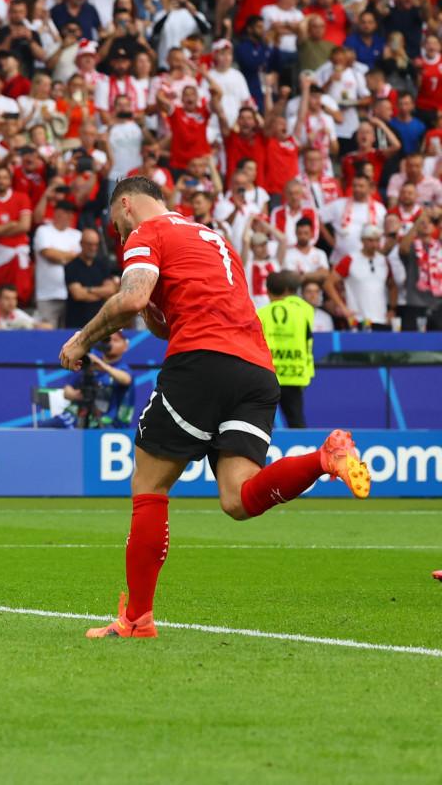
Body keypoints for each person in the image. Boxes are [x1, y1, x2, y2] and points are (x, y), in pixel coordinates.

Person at [58, 175, 370, 640]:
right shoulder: (213, 238)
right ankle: (325, 458)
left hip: (203, 360)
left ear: (126, 205)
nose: (122, 238)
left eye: (118, 228)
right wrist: (153, 309)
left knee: (149, 485)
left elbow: (132, 298)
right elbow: (165, 316)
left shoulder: (148, 233)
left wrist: (81, 339)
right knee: (237, 498)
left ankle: (137, 619)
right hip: (257, 371)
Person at [257, 271, 313, 428]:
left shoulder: (260, 315)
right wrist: (308, 371)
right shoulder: (302, 315)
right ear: (287, 290)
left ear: (267, 290)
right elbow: (308, 344)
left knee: (262, 423)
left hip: (268, 376)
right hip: (294, 374)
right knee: (296, 420)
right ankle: (303, 450)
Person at [57, 331, 134, 429]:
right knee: (43, 427)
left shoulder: (123, 369)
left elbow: (126, 379)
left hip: (106, 420)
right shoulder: (88, 363)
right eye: (107, 339)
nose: (110, 343)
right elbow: (67, 391)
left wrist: (103, 366)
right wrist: (75, 394)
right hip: (75, 416)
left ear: (125, 346)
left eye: (116, 340)